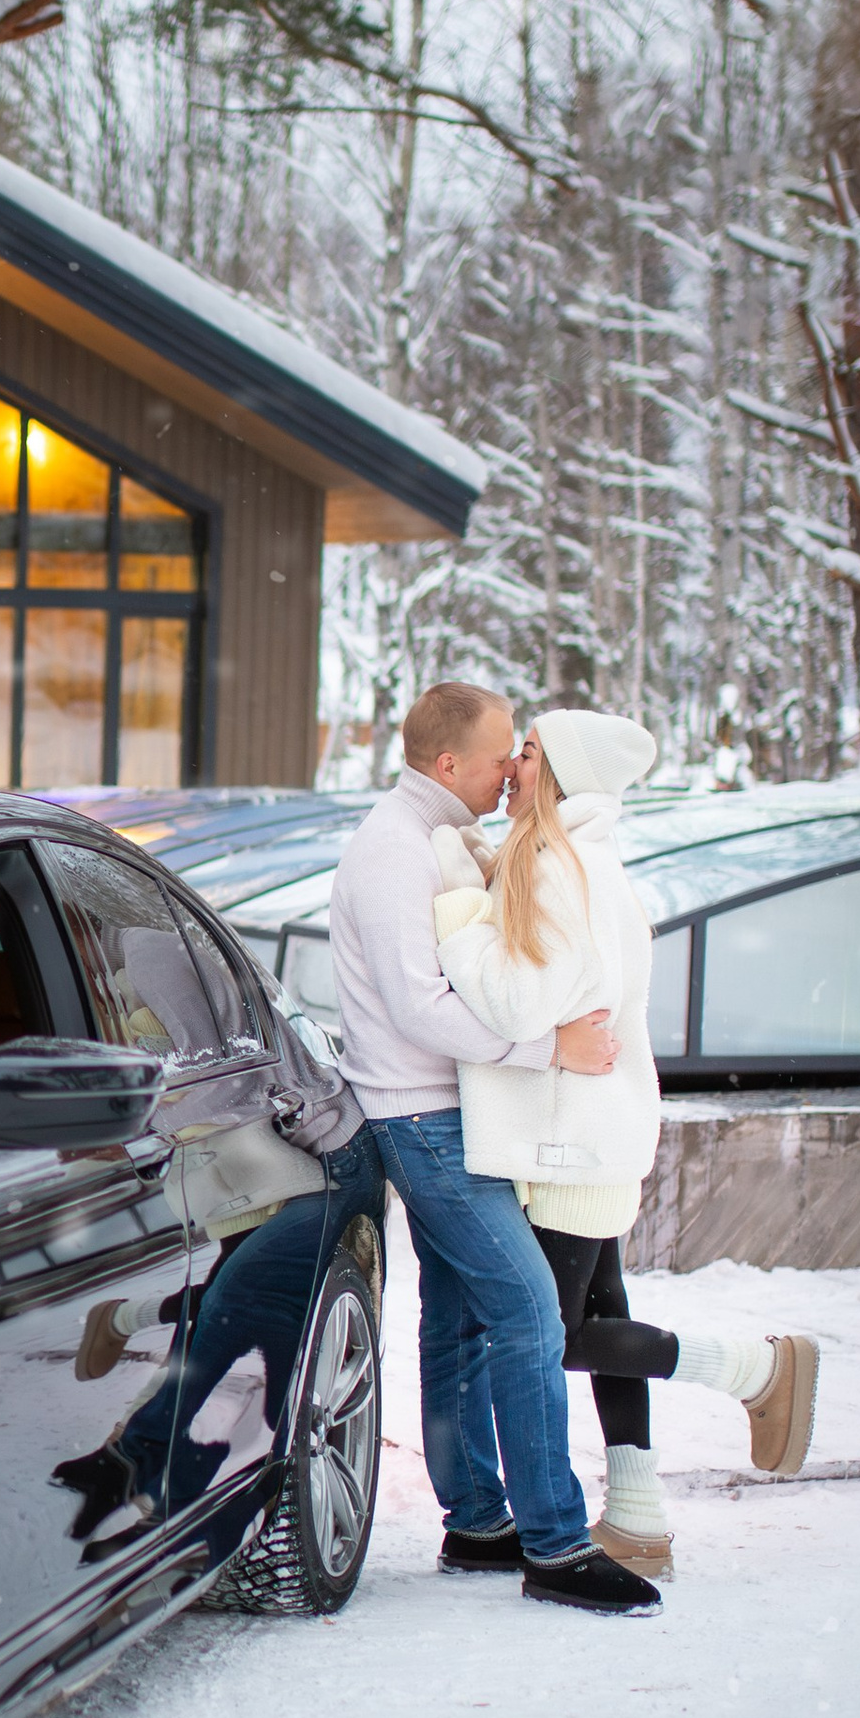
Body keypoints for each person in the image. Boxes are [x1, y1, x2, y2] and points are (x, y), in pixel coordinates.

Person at [429, 708, 819, 1576]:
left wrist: (459, 917)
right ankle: (638, 1515)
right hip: (592, 1131)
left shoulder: (557, 868)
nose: (512, 765)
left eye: (527, 753)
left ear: (560, 774)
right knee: (598, 1317)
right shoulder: (586, 861)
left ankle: (751, 1370)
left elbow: (520, 1005)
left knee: (542, 1335)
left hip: (566, 1138)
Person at [327, 681, 659, 1614]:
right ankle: (554, 1545)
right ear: (448, 765)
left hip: (452, 1113)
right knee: (528, 1317)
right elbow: (418, 1005)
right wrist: (547, 1047)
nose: (512, 766)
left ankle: (477, 1522)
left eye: (525, 753)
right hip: (422, 1118)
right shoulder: (394, 851)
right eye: (501, 752)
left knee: (462, 1320)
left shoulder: (439, 841)